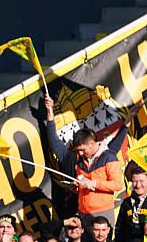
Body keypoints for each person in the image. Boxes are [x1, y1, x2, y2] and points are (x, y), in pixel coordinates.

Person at [44, 94, 124, 225]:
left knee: (102, 238)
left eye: (82, 149)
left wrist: (93, 184)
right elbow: (54, 140)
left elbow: (117, 185)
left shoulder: (108, 157)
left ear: (91, 143)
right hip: (82, 212)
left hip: (103, 212)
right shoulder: (77, 160)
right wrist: (50, 111)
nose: (80, 153)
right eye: (77, 150)